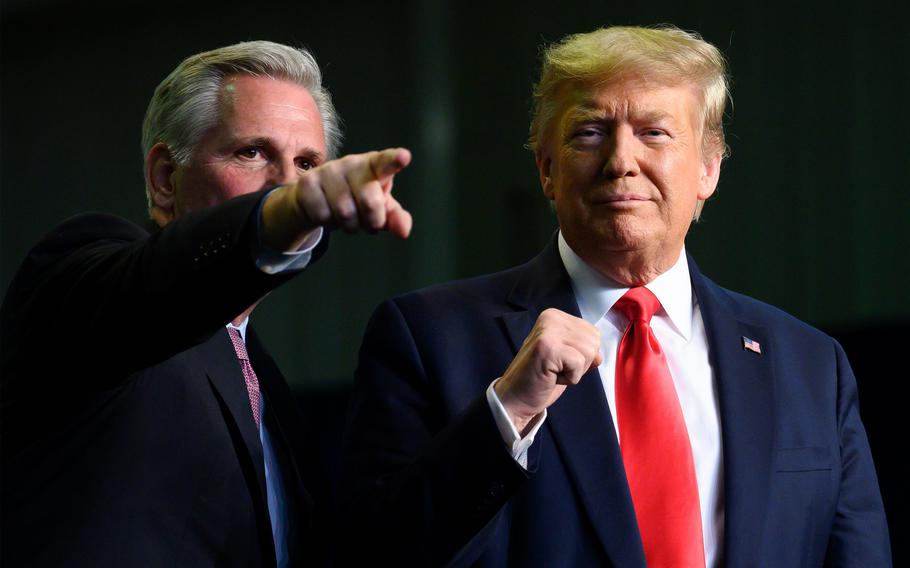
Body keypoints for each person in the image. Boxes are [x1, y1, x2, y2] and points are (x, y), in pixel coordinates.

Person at [340, 26, 891, 567]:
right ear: (547, 169)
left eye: (654, 132)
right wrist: (510, 408)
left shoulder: (811, 364)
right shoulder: (426, 337)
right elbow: (371, 552)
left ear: (708, 169)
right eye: (589, 133)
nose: (620, 161)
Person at [1, 41, 412, 567]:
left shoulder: (263, 380)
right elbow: (159, 286)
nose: (288, 182)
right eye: (252, 152)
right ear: (165, 180)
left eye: (307, 162)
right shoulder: (84, 277)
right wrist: (280, 215)